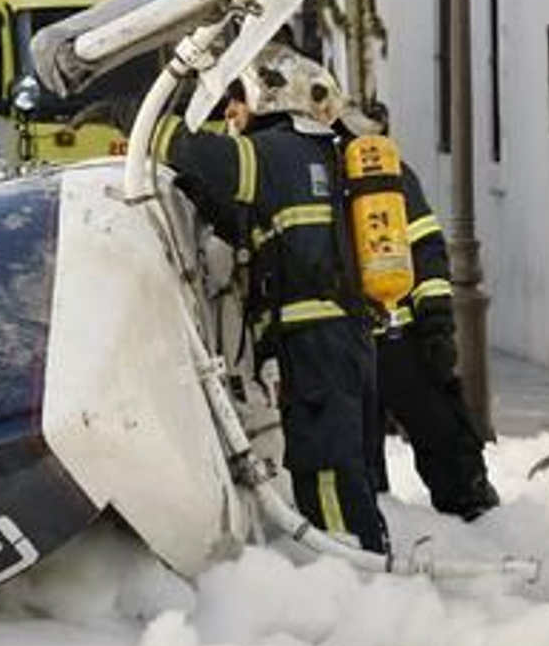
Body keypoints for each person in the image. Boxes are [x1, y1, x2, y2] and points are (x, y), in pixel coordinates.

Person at [78, 43, 388, 554]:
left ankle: (353, 565)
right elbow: (239, 213)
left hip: (316, 336)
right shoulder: (306, 157)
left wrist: (131, 114)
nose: (230, 113)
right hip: (328, 336)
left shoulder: (275, 152)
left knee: (327, 463)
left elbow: (205, 158)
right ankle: (354, 561)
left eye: (236, 99)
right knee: (329, 457)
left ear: (270, 97)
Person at [346, 104, 500, 520]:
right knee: (441, 427)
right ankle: (474, 510)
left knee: (360, 441)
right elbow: (428, 249)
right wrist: (437, 327)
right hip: (402, 331)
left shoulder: (315, 174)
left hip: (347, 335)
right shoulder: (390, 175)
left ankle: (374, 520)